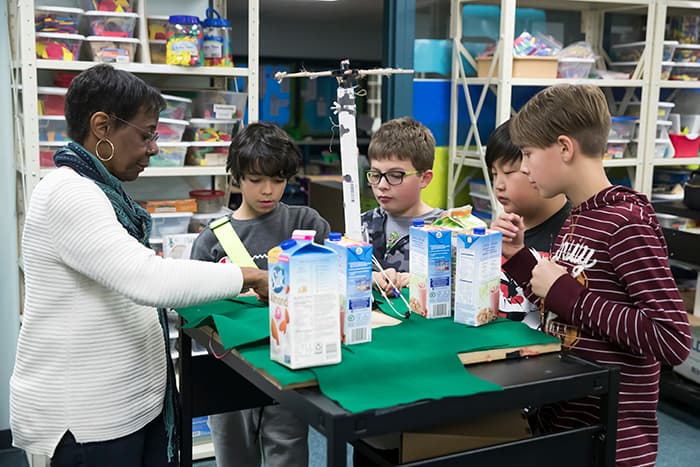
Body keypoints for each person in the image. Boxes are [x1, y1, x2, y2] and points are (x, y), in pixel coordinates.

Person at [9, 64, 268, 467]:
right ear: (102, 127)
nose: (153, 147)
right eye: (147, 134)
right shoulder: (69, 194)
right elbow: (148, 278)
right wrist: (248, 275)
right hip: (89, 424)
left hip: (128, 408)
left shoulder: (99, 192)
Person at [503, 84, 691, 466]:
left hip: (612, 444)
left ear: (564, 148)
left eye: (527, 154)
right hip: (566, 424)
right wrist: (521, 260)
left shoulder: (626, 223)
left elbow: (672, 339)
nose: (523, 168)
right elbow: (565, 306)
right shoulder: (579, 217)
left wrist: (567, 293)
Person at [190, 121, 330, 467]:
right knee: (233, 455)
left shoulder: (307, 224)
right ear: (236, 177)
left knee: (289, 452)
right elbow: (195, 318)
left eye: (278, 180)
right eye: (256, 180)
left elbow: (332, 287)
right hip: (229, 373)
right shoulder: (212, 240)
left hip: (288, 371)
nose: (268, 190)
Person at [485, 120, 570, 327]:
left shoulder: (572, 236)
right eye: (494, 173)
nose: (499, 185)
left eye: (509, 172)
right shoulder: (505, 231)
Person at [361, 117, 443, 294]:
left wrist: (416, 280)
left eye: (396, 175)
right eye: (375, 174)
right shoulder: (362, 226)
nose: (382, 185)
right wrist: (371, 278)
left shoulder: (445, 231)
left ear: (424, 178)